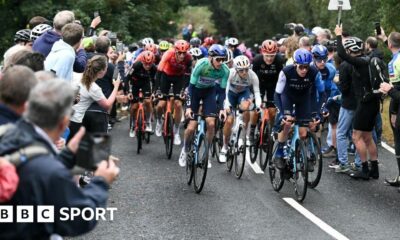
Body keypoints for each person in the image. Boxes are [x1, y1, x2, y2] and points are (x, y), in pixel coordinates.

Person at [0, 80, 119, 239]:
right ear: (64, 123)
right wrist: (101, 181)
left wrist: (68, 155)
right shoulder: (50, 171)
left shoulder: (10, 133)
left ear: (28, 108)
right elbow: (79, 218)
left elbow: (32, 168)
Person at [335, 24, 379, 180]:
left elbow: (340, 53)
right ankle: (375, 169)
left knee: (356, 136)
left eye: (348, 50)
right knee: (367, 136)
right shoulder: (370, 59)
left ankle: (364, 169)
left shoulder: (358, 62)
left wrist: (339, 35)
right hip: (373, 102)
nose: (346, 52)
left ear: (351, 50)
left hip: (365, 103)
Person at [178, 44, 229, 167]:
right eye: (218, 59)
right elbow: (190, 88)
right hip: (195, 92)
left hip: (209, 93)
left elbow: (222, 92)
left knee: (211, 124)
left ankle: (206, 155)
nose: (221, 62)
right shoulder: (201, 65)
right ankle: (184, 151)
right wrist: (189, 107)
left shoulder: (224, 70)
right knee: (191, 128)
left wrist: (222, 109)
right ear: (211, 57)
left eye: (223, 59)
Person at [273, 48, 324, 169]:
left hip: (304, 98)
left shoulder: (314, 72)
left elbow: (322, 94)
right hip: (287, 97)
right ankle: (279, 152)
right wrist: (282, 113)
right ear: (295, 64)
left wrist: (318, 112)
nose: (304, 70)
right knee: (287, 123)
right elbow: (277, 94)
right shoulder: (286, 72)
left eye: (306, 67)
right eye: (301, 67)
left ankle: (302, 152)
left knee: (303, 133)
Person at [219, 55, 261, 162]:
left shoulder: (252, 75)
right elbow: (226, 91)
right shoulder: (230, 73)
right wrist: (227, 105)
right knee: (229, 121)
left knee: (246, 107)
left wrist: (259, 106)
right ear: (236, 69)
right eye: (241, 70)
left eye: (246, 69)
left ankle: (243, 132)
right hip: (230, 95)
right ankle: (224, 147)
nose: (244, 72)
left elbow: (256, 92)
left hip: (243, 93)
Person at [69, 55, 121, 139]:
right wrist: (116, 86)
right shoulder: (93, 88)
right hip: (76, 122)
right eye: (106, 68)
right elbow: (107, 105)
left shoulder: (76, 75)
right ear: (101, 72)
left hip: (66, 117)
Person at [155, 40, 192, 145]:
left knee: (178, 104)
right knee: (161, 104)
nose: (182, 55)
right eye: (179, 53)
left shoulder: (189, 58)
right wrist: (157, 89)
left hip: (179, 78)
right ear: (175, 51)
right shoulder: (168, 54)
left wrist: (183, 89)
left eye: (184, 53)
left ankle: (176, 132)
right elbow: (159, 72)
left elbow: (187, 76)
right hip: (165, 76)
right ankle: (158, 121)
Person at [377, 30, 400, 187]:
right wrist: (384, 38)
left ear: (390, 45)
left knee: (398, 139)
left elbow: (398, 92)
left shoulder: (394, 63)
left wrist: (388, 89)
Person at [251, 39, 285, 143]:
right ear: (262, 53)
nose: (269, 58)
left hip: (273, 85)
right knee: (256, 108)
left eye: (272, 56)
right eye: (267, 55)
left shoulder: (279, 60)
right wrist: (253, 94)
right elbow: (251, 78)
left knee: (272, 111)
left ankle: (270, 130)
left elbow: (282, 78)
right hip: (259, 84)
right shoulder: (257, 60)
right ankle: (252, 130)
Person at [125, 51, 157, 137]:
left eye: (149, 64)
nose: (147, 66)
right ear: (142, 62)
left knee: (147, 101)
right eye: (145, 64)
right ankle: (132, 125)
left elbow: (155, 82)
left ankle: (149, 122)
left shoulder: (153, 68)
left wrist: (153, 93)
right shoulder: (136, 65)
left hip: (145, 84)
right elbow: (127, 78)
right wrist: (128, 92)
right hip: (135, 83)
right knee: (134, 106)